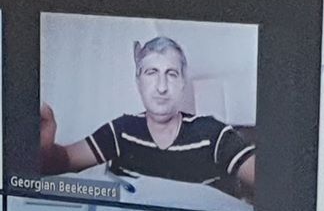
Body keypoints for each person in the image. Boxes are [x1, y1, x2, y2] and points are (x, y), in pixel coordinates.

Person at [39, 35, 256, 201]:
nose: (161, 87)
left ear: (182, 83)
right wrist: (45, 142)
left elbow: (269, 184)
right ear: (138, 82)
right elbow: (64, 161)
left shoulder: (214, 135)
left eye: (171, 74)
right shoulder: (122, 131)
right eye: (151, 73)